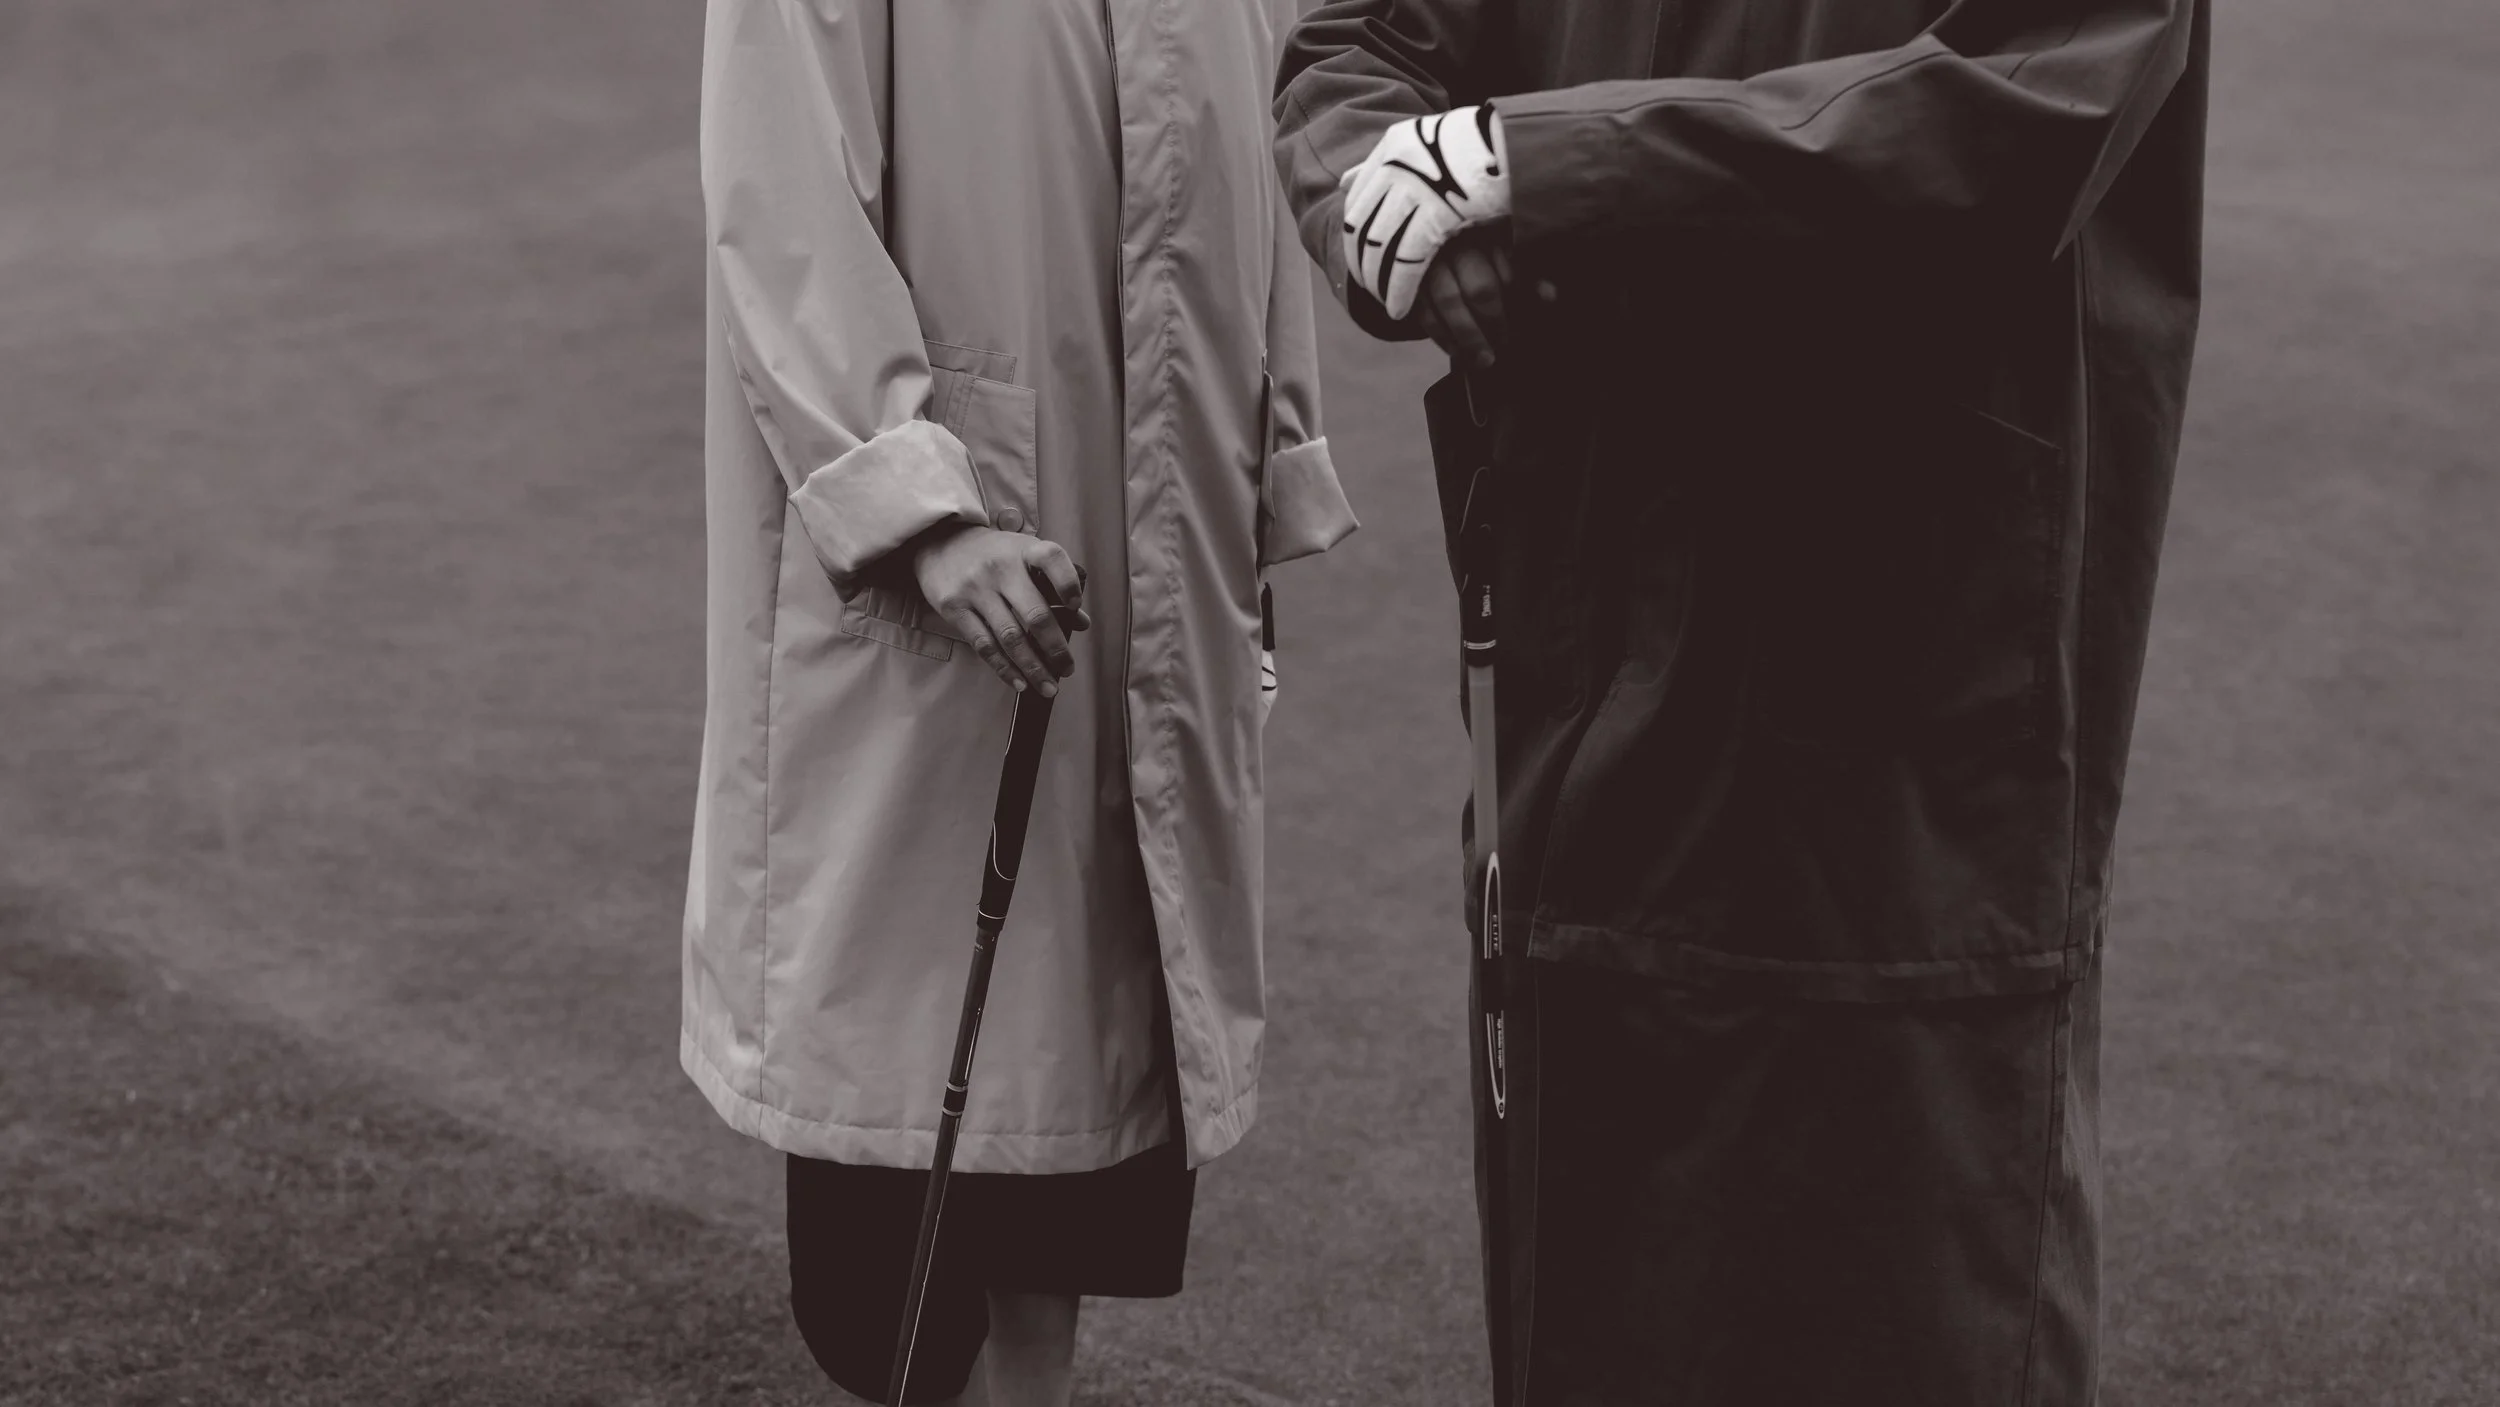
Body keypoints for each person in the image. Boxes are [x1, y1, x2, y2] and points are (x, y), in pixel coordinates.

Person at [1275, 1, 2207, 1402]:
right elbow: (1357, 46)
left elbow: (2011, 113)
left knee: (1895, 1294)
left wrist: (1526, 168)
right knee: (1599, 1284)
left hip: (1904, 687)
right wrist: (1381, 186)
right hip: (1588, 641)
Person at [682, 2, 1356, 1403]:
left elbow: (1253, 162)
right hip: (942, 574)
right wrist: (920, 510)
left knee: (1079, 1111)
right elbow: (786, 200)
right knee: (916, 1147)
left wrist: (1257, 506)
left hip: (1149, 578)